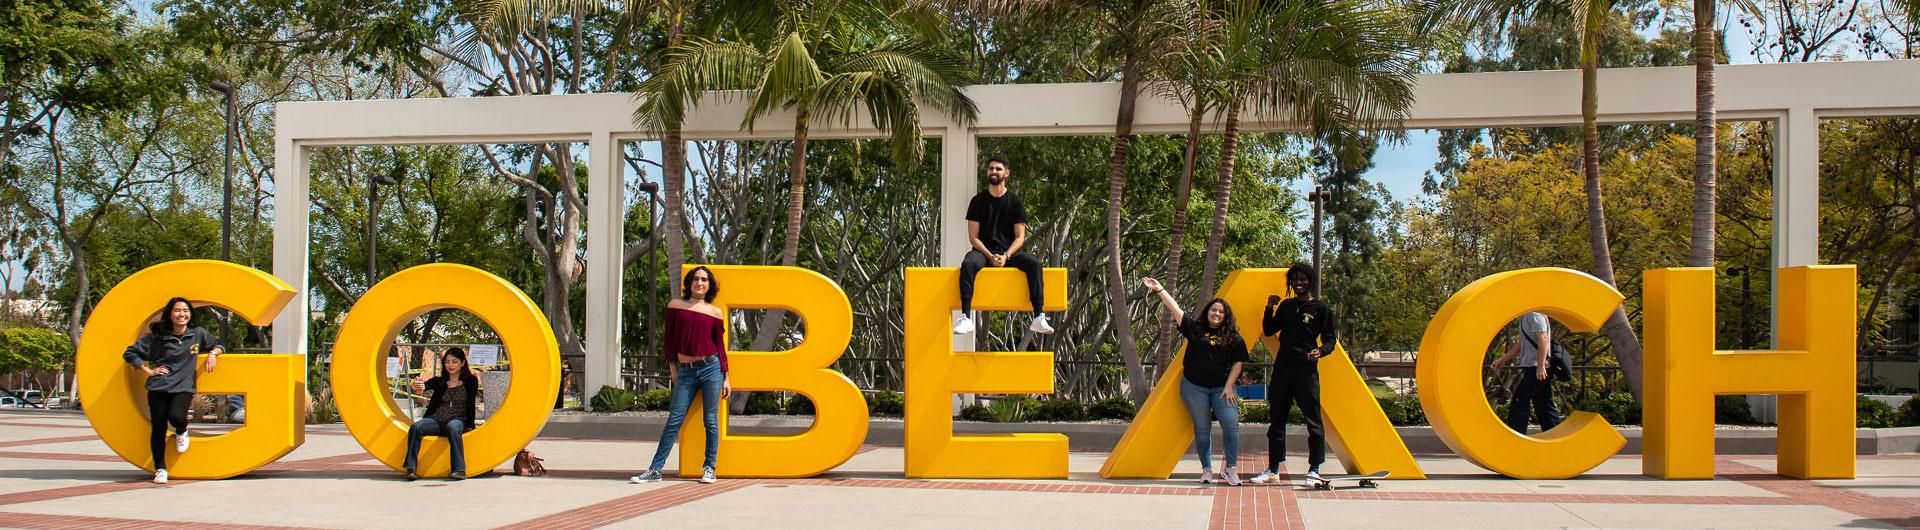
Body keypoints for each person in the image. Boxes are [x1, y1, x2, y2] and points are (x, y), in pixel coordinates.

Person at [1143, 277, 1248, 486]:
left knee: (1231, 425)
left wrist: (1228, 387)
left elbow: (1238, 362)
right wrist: (1159, 289)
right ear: (1207, 311)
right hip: (1194, 388)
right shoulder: (1195, 329)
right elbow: (1176, 310)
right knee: (1202, 428)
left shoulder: (1233, 337)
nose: (1216, 314)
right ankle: (1207, 470)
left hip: (1221, 389)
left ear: (1225, 316)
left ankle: (1231, 469)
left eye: (1221, 312)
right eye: (1213, 310)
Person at [632, 266, 731, 485]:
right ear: (689, 282)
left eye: (704, 279)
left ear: (709, 285)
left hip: (711, 369)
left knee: (711, 420)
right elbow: (669, 340)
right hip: (685, 372)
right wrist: (673, 368)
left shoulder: (715, 312)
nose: (700, 283)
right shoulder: (676, 306)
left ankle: (709, 468)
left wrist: (726, 376)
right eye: (695, 279)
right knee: (674, 420)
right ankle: (655, 469)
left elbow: (719, 346)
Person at [122, 297, 224, 484]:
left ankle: (182, 430)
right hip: (158, 387)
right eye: (177, 310)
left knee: (177, 417)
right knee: (158, 429)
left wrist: (212, 354)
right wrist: (147, 370)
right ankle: (160, 468)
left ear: (190, 314)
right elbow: (130, 353)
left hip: (183, 387)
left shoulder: (197, 334)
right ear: (169, 314)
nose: (182, 314)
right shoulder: (158, 338)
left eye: (185, 310)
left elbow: (218, 345)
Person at [1250, 265, 1336, 485]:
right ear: (1291, 282)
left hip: (1306, 372)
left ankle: (1314, 469)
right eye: (1295, 279)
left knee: (1313, 421)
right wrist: (1269, 307)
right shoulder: (1287, 306)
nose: (1299, 283)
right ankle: (1273, 469)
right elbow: (1269, 330)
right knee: (1276, 421)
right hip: (1282, 370)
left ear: (1310, 282)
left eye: (1303, 279)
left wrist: (1321, 351)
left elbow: (1330, 339)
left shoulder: (1321, 308)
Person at [953, 155, 1054, 336]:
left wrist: (1006, 256)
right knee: (968, 263)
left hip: (1010, 253)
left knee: (1035, 264)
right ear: (987, 172)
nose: (994, 171)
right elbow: (973, 237)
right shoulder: (977, 201)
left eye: (998, 169)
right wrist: (990, 256)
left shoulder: (1015, 202)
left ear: (1006, 173)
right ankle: (966, 317)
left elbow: (1020, 238)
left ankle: (1039, 317)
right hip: (983, 252)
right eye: (991, 168)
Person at [404, 347, 479, 481]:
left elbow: (471, 406)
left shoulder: (471, 381)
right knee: (416, 427)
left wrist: (470, 425)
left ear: (462, 363)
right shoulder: (439, 381)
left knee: (453, 427)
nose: (450, 365)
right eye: (447, 362)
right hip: (436, 420)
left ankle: (459, 470)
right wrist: (417, 385)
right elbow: (422, 387)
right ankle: (411, 468)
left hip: (458, 419)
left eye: (454, 362)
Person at [1491, 311, 1561, 434]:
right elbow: (1521, 343)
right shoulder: (1526, 316)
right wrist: (1503, 359)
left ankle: (1517, 435)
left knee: (1520, 400)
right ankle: (1554, 436)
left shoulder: (1534, 315)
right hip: (1536, 367)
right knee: (1544, 404)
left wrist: (1540, 365)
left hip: (1537, 367)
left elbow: (1543, 337)